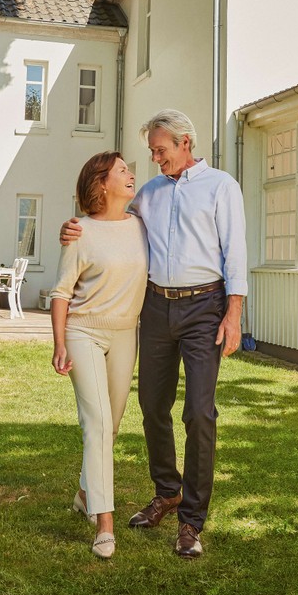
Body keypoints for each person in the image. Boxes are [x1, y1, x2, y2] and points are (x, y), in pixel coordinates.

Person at [62, 108, 246, 559]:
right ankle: (167, 492)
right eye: (151, 151)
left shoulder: (221, 186)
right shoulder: (148, 193)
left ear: (185, 143)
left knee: (199, 412)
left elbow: (235, 252)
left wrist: (233, 314)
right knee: (151, 406)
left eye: (160, 150)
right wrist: (73, 227)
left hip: (205, 306)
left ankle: (191, 522)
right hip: (157, 307)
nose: (154, 158)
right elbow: (106, 217)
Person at [50, 151, 148, 559]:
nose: (130, 174)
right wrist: (59, 343)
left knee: (112, 425)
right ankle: (104, 523)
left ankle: (85, 493)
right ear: (101, 183)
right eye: (121, 170)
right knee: (98, 423)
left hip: (126, 334)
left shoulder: (141, 224)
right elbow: (61, 292)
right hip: (83, 332)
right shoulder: (80, 232)